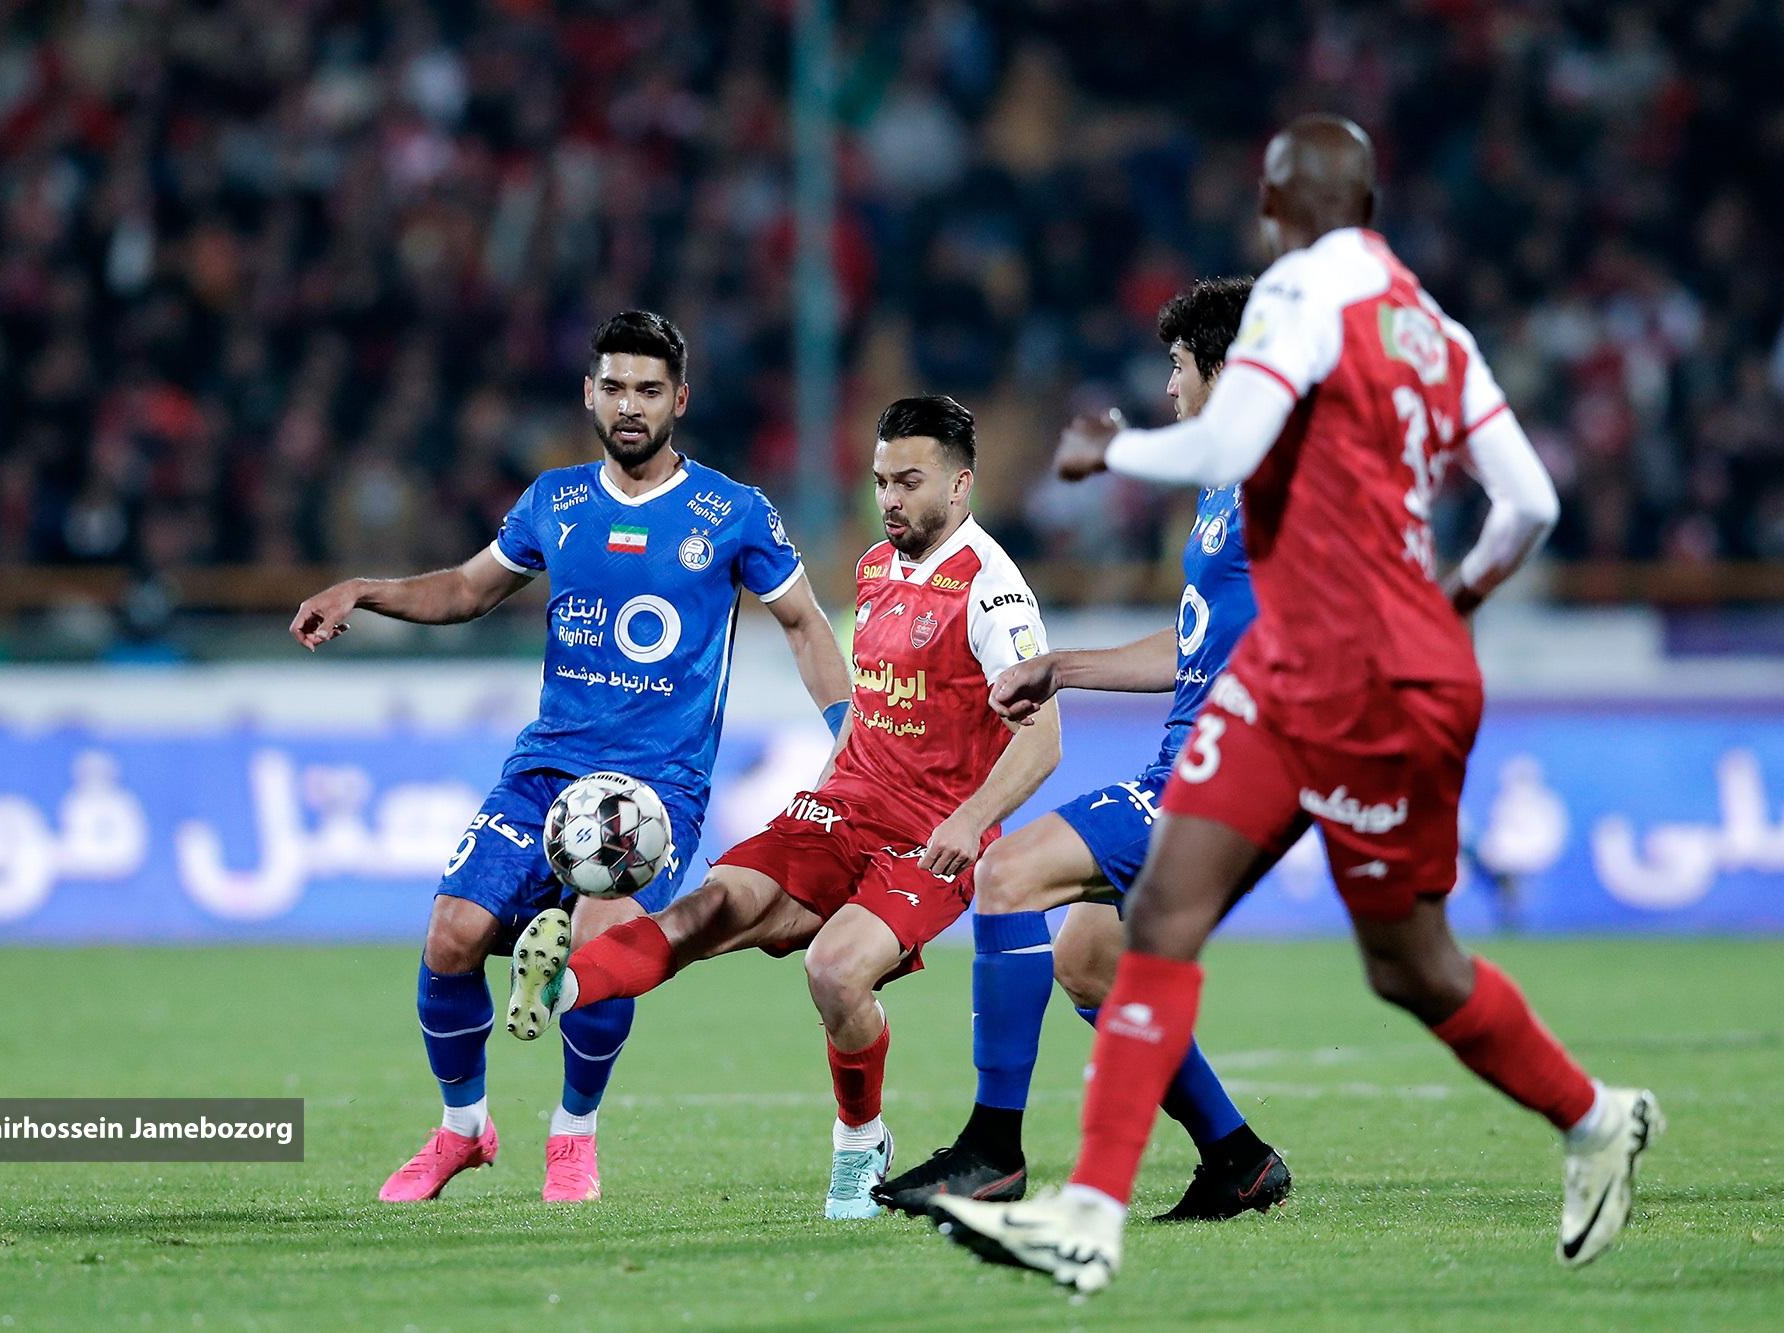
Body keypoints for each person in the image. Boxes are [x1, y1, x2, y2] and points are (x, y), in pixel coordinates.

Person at [933, 114, 1660, 1292]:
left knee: (1304, 945)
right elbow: (1527, 503)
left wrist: (1111, 452)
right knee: (1344, 955)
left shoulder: (1297, 299)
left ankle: (1588, 1116)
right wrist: (1454, 602)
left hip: (1323, 681)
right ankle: (1102, 1211)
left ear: (1276, 210)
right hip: (1395, 677)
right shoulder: (1436, 334)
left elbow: (1225, 432)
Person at [290, 311, 851, 1205]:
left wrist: (851, 731)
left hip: (656, 786)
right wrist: (365, 588)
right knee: (452, 932)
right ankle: (463, 1128)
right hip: (546, 770)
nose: (630, 406)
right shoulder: (554, 500)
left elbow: (804, 624)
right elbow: (467, 589)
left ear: (680, 400)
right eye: (615, 387)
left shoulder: (733, 512)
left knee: (603, 939)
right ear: (589, 393)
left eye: (649, 390)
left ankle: (573, 1136)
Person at [501, 395, 1061, 1219]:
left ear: (959, 484)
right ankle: (562, 985)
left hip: (929, 833)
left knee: (834, 971)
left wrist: (972, 820)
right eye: (881, 480)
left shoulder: (994, 593)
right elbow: (872, 705)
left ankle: (860, 1141)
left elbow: (1043, 740)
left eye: (909, 482)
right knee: (708, 909)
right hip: (844, 806)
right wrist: (826, 783)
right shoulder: (874, 568)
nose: (890, 498)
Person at [877, 277, 1288, 1222]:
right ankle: (1238, 1159)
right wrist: (1062, 667)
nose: (1169, 385)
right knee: (1090, 960)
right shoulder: (1225, 488)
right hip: (1184, 763)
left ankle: (991, 1152)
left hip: (1227, 776)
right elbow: (1194, 647)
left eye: (1179, 366)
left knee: (1007, 873)